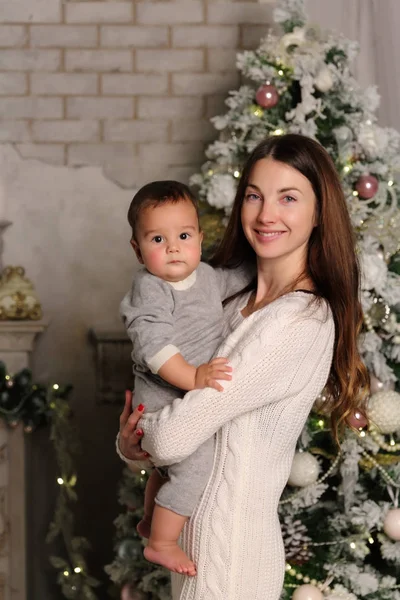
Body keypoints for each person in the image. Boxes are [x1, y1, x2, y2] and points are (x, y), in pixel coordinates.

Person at [116, 134, 369, 600]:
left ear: (318, 214)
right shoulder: (225, 298)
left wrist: (146, 434)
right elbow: (162, 406)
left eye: (288, 198)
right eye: (254, 196)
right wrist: (131, 444)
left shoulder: (299, 321)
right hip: (196, 551)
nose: (266, 214)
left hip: (231, 560)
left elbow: (171, 437)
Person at [119, 181, 251, 577]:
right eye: (158, 238)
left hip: (185, 392)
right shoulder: (151, 288)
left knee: (167, 471)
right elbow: (153, 347)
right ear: (137, 248)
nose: (173, 246)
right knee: (195, 466)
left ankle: (150, 519)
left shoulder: (208, 276)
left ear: (199, 238)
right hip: (160, 397)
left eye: (183, 235)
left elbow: (240, 277)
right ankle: (160, 542)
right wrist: (193, 376)